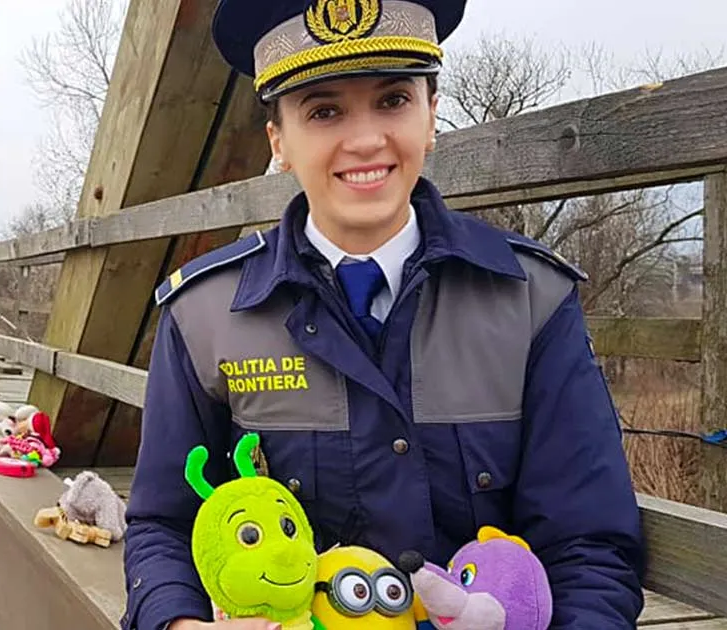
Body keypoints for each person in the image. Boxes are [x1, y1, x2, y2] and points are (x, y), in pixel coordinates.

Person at [120, 1, 646, 629]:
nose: (366, 139)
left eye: (393, 100)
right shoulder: (205, 314)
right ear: (279, 141)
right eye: (324, 110)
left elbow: (589, 546)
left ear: (431, 115)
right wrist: (175, 622)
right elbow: (163, 522)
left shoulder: (531, 299)